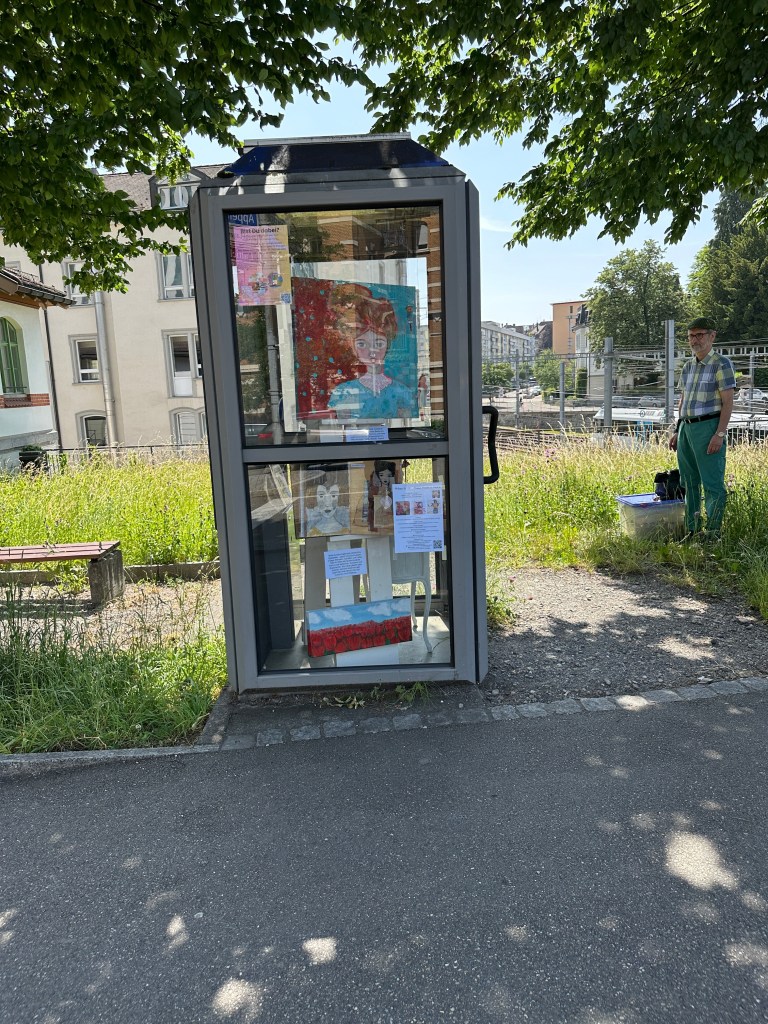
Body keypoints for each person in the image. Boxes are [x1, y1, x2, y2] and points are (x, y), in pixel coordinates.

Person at [669, 317, 735, 540]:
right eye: (691, 336)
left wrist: (719, 433)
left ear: (712, 336)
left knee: (712, 483)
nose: (695, 340)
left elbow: (728, 402)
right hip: (687, 429)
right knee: (689, 482)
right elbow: (683, 400)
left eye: (699, 335)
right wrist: (678, 430)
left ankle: (713, 534)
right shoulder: (688, 366)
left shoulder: (721, 364)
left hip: (709, 427)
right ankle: (692, 529)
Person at [327, 283, 417, 421]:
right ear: (353, 347)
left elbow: (404, 429)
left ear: (388, 344)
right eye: (362, 344)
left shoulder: (401, 392)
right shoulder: (343, 392)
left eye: (379, 343)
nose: (372, 351)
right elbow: (343, 430)